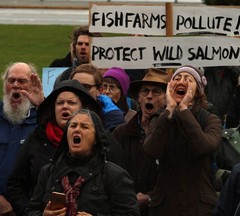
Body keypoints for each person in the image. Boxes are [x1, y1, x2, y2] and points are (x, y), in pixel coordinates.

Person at [7, 80, 104, 216]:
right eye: (59, 103)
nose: (65, 107)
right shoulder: (37, 138)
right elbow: (16, 185)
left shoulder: (102, 141)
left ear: (84, 108)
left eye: (71, 103)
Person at [25, 109, 140, 216]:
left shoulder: (114, 175)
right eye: (73, 126)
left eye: (84, 127)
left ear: (96, 138)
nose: (77, 129)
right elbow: (31, 210)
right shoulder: (48, 172)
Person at [143, 65, 222, 216]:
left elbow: (204, 146)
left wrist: (184, 109)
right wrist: (170, 110)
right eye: (177, 78)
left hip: (198, 207)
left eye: (188, 79)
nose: (182, 81)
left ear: (198, 91)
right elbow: (150, 150)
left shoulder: (210, 119)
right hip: (165, 207)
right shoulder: (161, 117)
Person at [112, 68, 171, 216]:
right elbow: (113, 172)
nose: (149, 97)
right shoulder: (121, 133)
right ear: (138, 97)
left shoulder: (174, 132)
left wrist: (151, 196)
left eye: (156, 92)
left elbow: (177, 176)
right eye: (145, 91)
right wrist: (129, 197)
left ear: (166, 99)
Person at [0, 62, 44, 215]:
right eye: (11, 81)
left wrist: (43, 107)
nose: (16, 85)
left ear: (33, 86)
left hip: (30, 208)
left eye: (22, 81)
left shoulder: (42, 120)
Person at [70, 64, 125, 131]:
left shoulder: (112, 118)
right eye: (74, 86)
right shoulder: (61, 109)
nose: (79, 90)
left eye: (86, 87)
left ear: (99, 90)